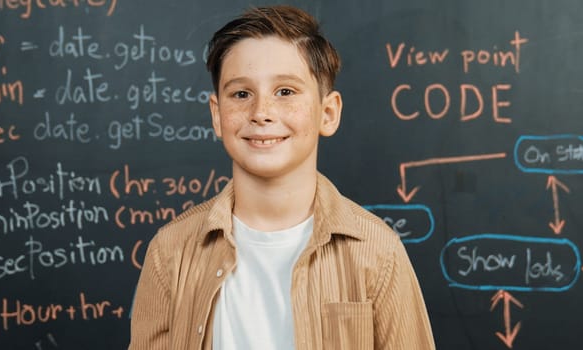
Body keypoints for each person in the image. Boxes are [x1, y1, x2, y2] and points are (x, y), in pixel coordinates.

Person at [129, 5, 435, 350]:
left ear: (328, 113)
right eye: (241, 94)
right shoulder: (169, 252)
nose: (261, 113)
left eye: (285, 92)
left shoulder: (378, 253)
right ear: (217, 116)